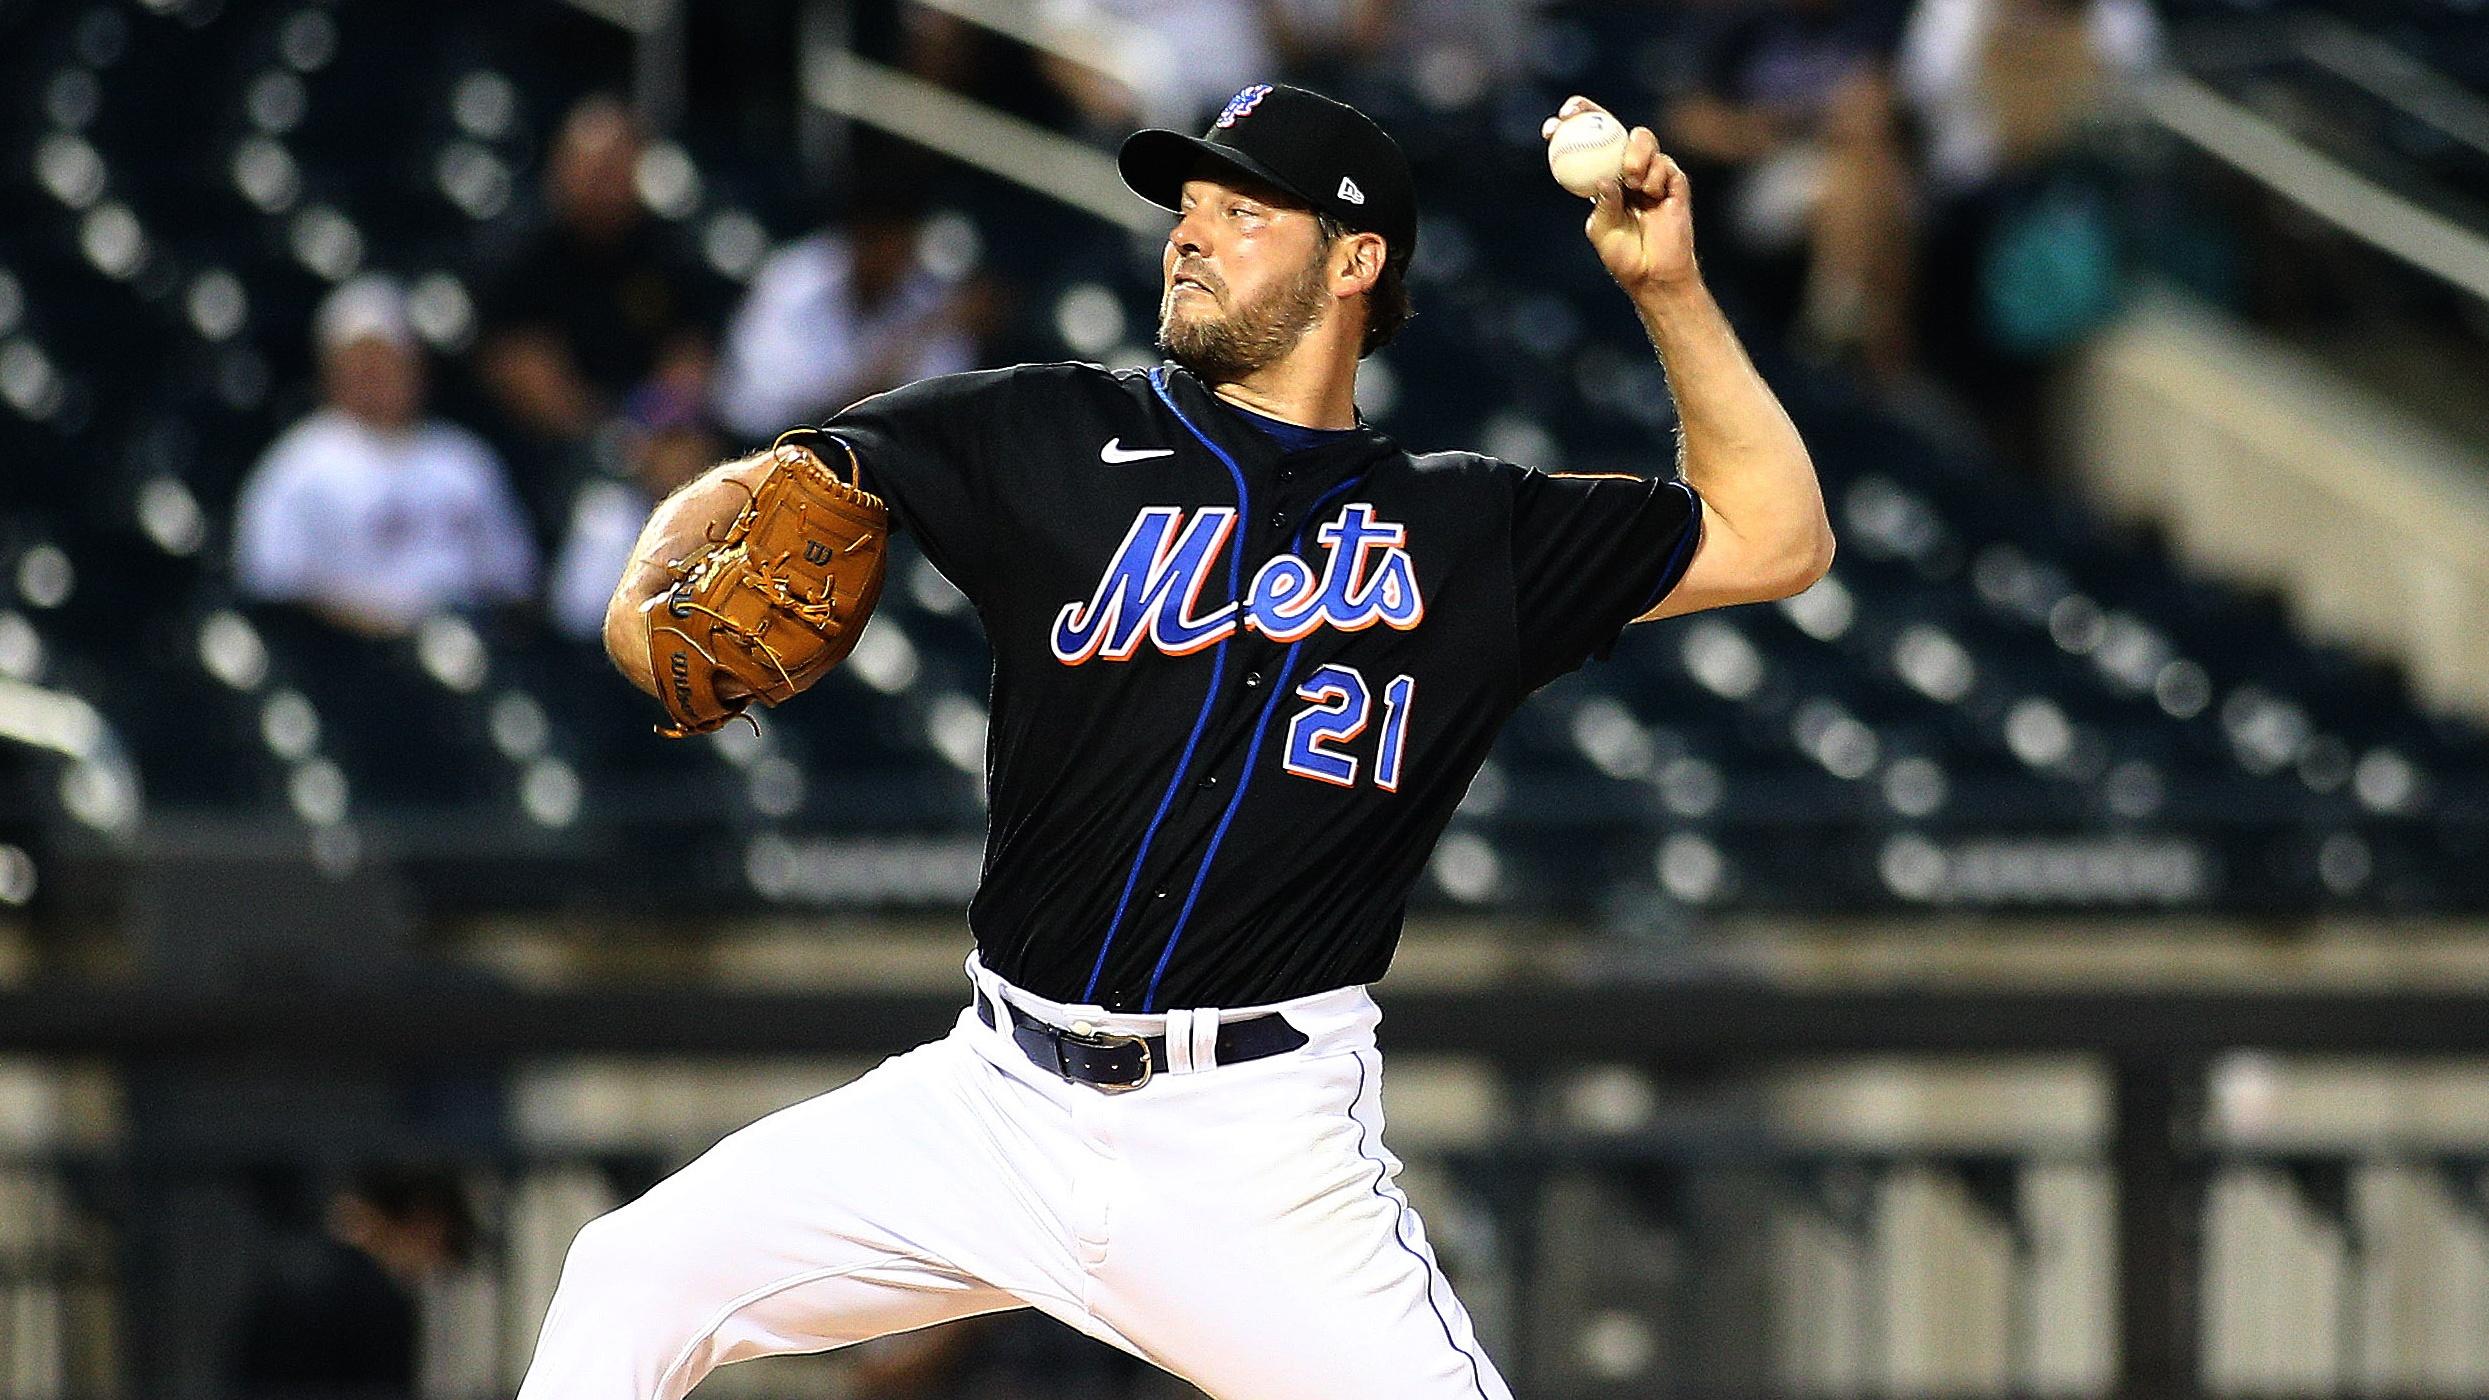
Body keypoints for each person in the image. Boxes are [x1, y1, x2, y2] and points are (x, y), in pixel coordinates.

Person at [533, 84, 1831, 1400]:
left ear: (1357, 260)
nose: (1190, 233)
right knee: (630, 1278)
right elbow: (806, 479)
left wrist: (1666, 291)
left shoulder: (1465, 534)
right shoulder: (1040, 429)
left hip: (1252, 1150)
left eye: (1242, 208)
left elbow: (1777, 536)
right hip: (995, 1105)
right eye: (1188, 205)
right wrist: (719, 502)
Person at [232, 276, 538, 638]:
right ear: (330, 370)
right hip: (345, 656)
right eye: (360, 361)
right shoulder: (298, 464)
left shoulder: (462, 459)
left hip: (465, 648)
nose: (375, 374)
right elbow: (271, 581)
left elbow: (514, 580)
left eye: (388, 359)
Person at [709, 196, 993, 444]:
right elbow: (781, 387)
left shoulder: (927, 299)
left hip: (852, 452)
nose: (890, 258)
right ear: (859, 237)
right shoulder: (797, 276)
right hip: (754, 436)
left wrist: (927, 332)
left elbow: (936, 398)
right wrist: (884, 367)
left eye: (900, 246)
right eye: (880, 243)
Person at [229, 1166, 476, 1399]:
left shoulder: (296, 1263)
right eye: (442, 1241)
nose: (431, 1268)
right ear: (426, 1222)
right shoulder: (376, 1304)